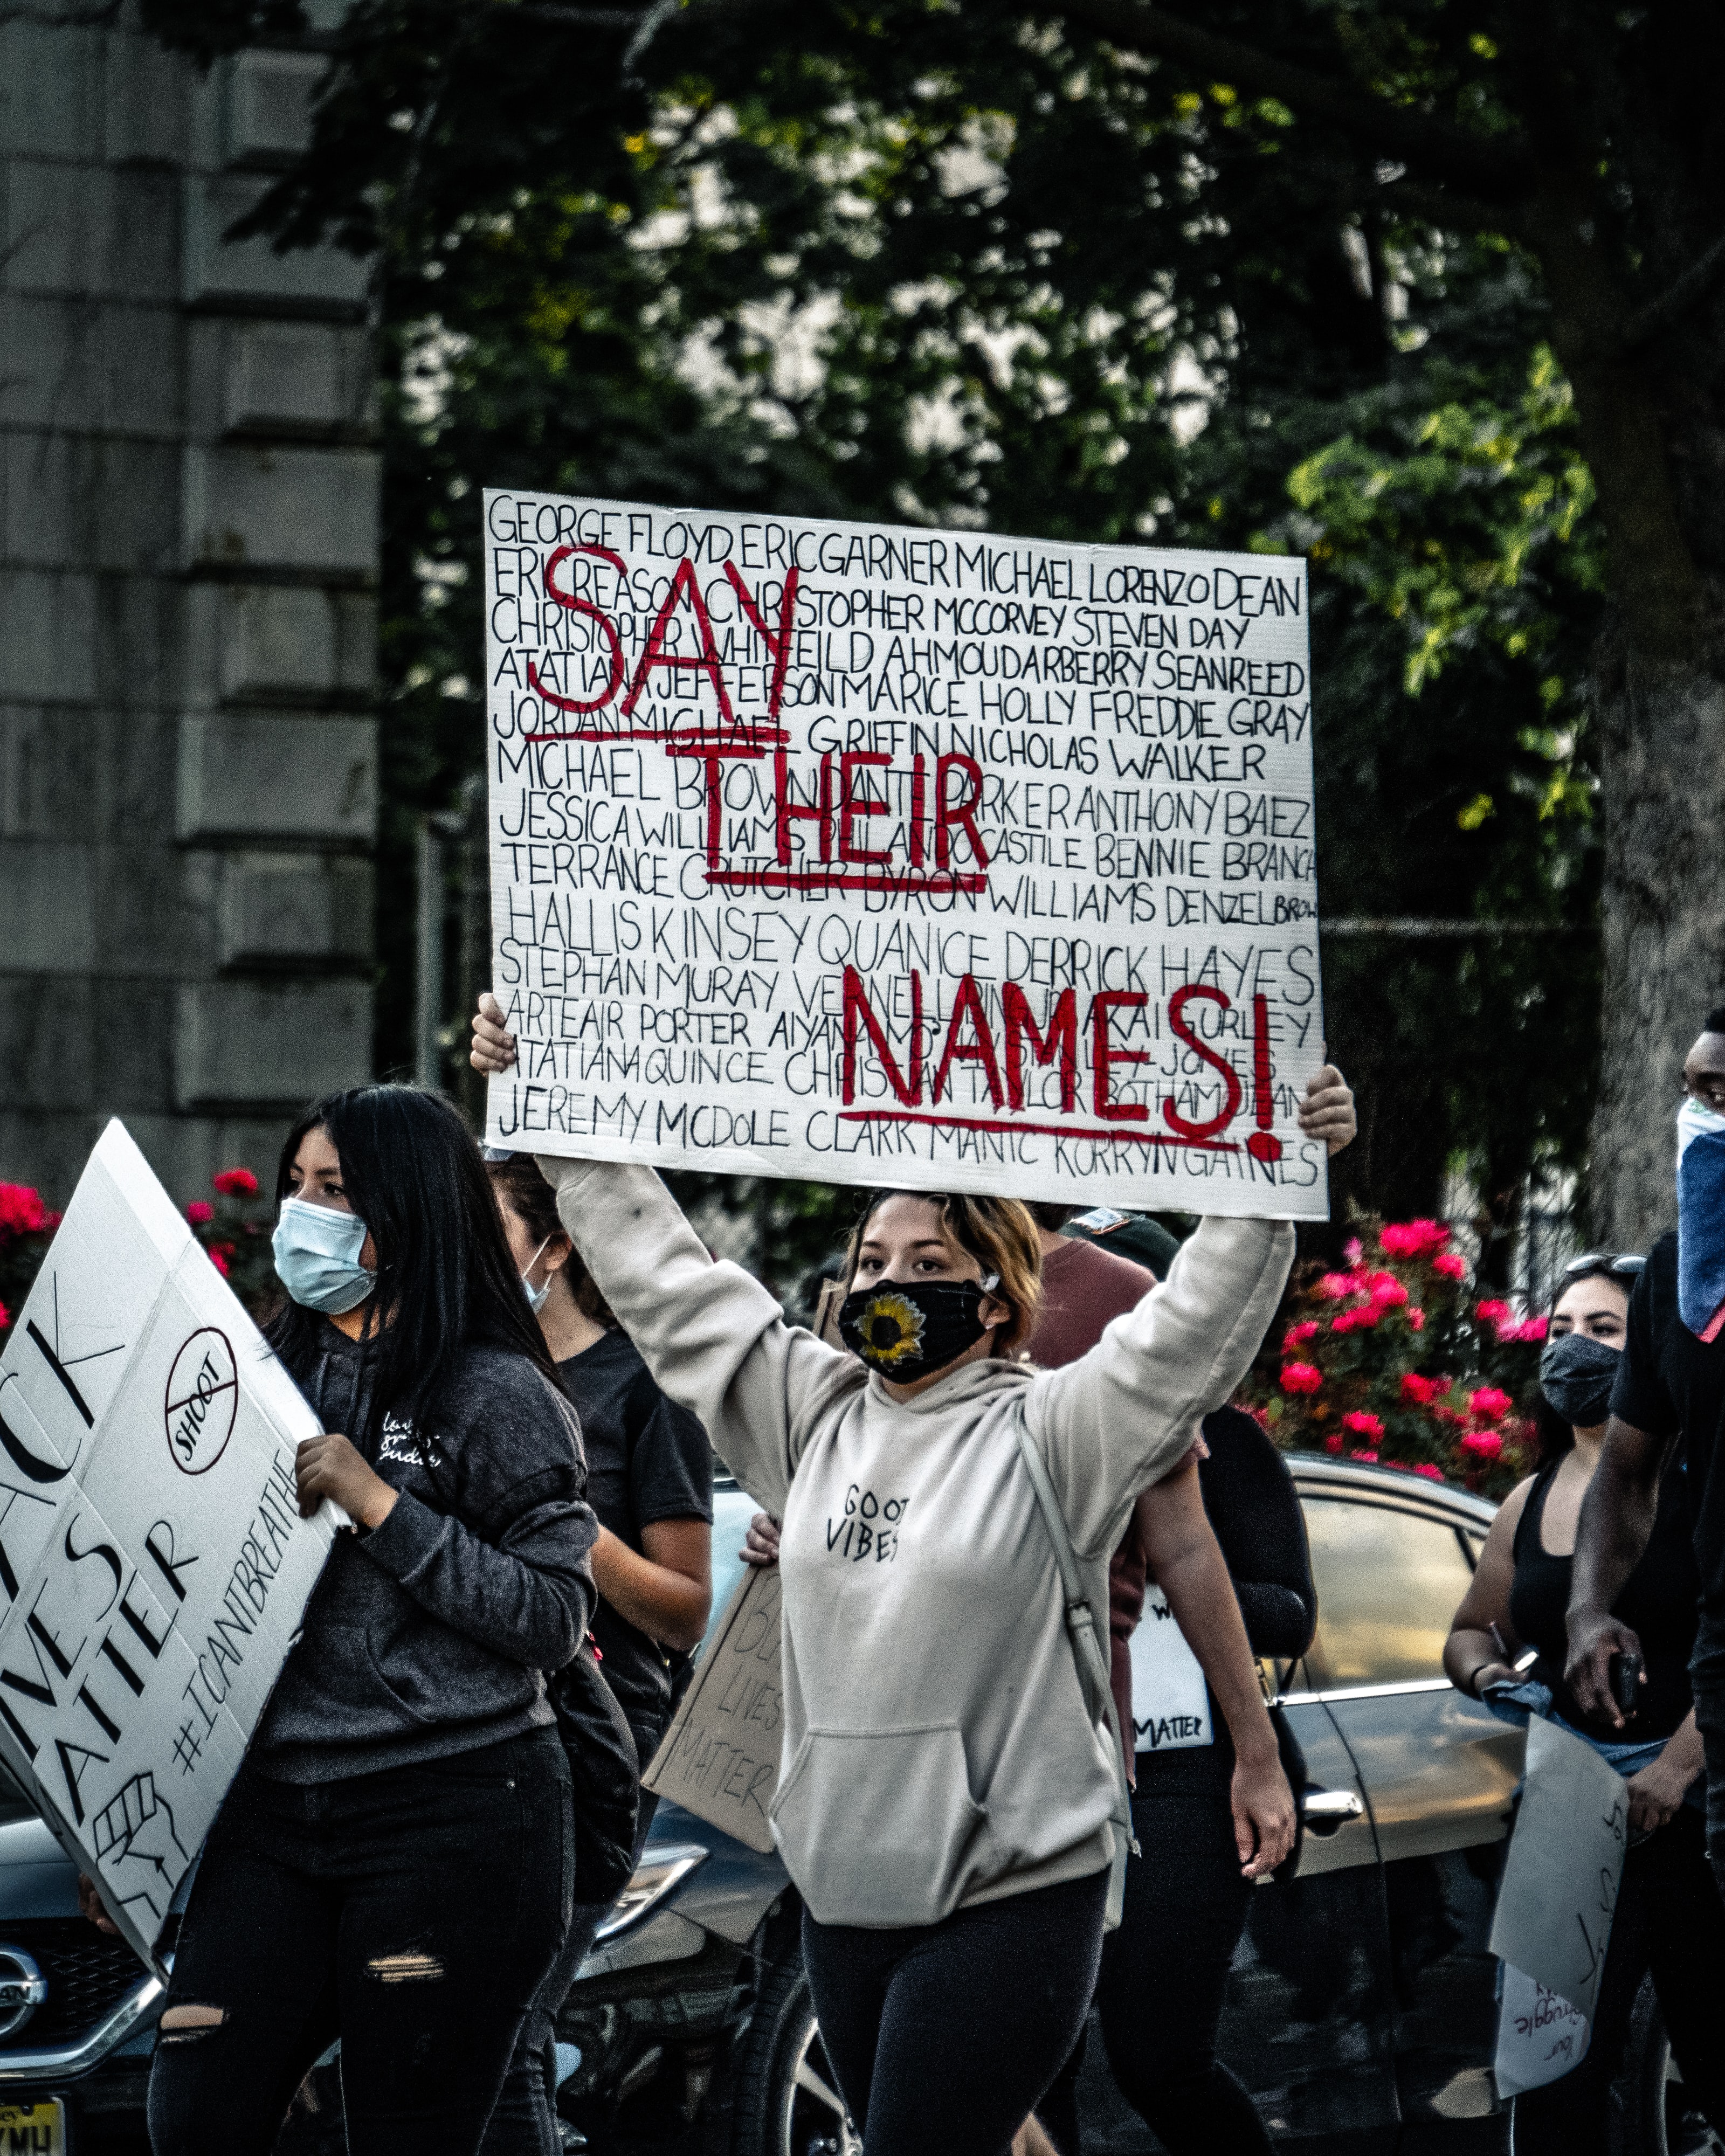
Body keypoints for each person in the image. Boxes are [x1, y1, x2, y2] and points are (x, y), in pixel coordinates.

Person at [472, 992, 1327, 2156]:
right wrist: (558, 1109)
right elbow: (666, 1278)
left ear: (995, 1293)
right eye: (871, 1259)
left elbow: (1190, 1326)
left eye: (928, 1261)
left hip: (1013, 1899)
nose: (887, 1282)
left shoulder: (1058, 1432)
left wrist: (1273, 1164)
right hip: (845, 1896)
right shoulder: (806, 1412)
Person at [146, 1085, 596, 2156]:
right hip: (274, 1816)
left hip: (452, 1817)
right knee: (196, 2115)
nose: (302, 1211)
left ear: (410, 1207)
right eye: (295, 1183)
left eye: (335, 1189)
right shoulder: (260, 1373)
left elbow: (551, 1615)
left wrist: (382, 1507)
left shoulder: (496, 1392)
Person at [1445, 1254, 1725, 2154]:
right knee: (1554, 2076)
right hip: (1572, 1813)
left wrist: (1681, 1766)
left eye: (1603, 1331)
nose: (1576, 1349)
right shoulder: (1527, 1500)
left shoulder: (1697, 1484)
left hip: (1691, 1817)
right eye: (1560, 1330)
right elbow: (1468, 1633)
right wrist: (1496, 1678)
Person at [480, 1150, 714, 2156]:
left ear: (558, 1245)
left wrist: (563, 1523)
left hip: (597, 1742)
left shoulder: (644, 1387)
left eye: (484, 1232)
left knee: (511, 2035)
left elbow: (683, 1609)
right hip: (476, 1734)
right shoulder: (463, 1377)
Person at [1568, 1009, 1725, 1895]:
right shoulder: (1676, 1275)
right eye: (1694, 1091)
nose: (1703, 1112)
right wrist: (1589, 1607)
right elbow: (1625, 1470)